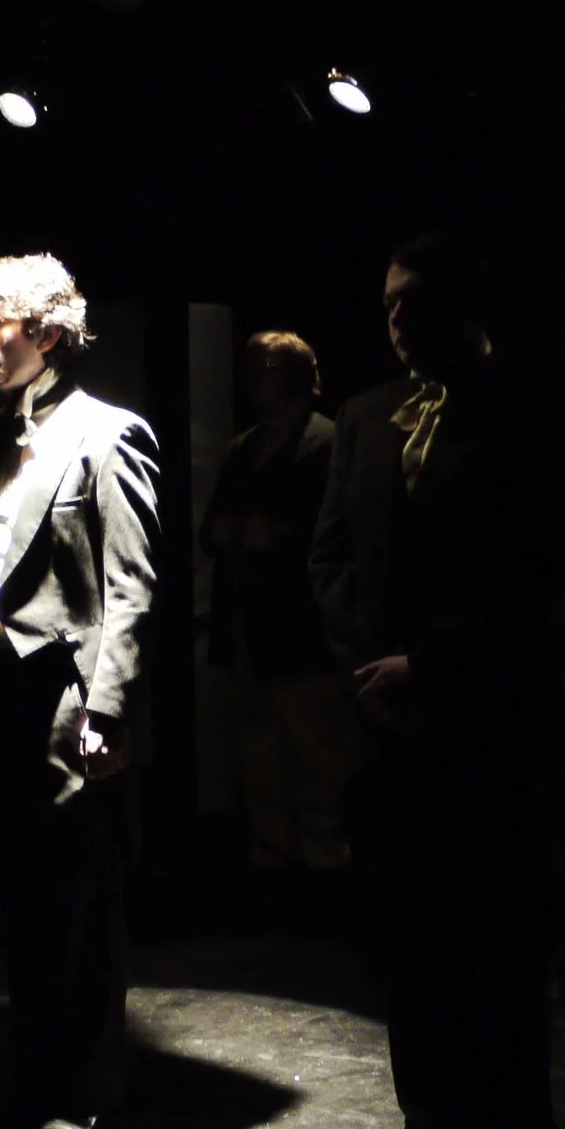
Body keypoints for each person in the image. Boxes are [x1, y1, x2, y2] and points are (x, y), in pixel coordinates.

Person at [308, 231, 565, 1129]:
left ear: (465, 306)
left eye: (414, 300)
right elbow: (331, 558)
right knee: (411, 944)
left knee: (501, 950)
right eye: (387, 301)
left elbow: (536, 567)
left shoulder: (531, 409)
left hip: (491, 729)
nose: (395, 318)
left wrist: (429, 665)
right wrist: (370, 669)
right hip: (393, 736)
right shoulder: (367, 415)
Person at [0, 254, 162, 1129]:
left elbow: (131, 586)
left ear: (41, 329)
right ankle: (37, 1072)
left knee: (77, 907)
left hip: (65, 706)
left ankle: (86, 1090)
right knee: (20, 903)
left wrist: (105, 711)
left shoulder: (109, 433)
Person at [201, 330, 352, 873]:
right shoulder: (245, 446)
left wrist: (270, 535)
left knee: (316, 750)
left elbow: (339, 535)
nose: (251, 377)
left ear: (294, 374)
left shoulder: (329, 442)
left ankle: (323, 851)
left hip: (304, 626)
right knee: (257, 744)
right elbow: (213, 528)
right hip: (251, 624)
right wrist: (232, 533)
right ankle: (275, 847)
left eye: (264, 367)